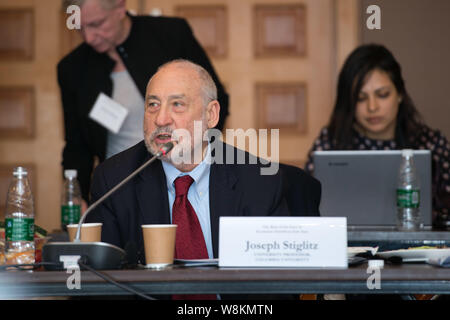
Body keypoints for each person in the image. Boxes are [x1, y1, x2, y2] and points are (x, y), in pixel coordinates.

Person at [86, 59, 321, 267]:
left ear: (211, 115)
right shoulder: (115, 181)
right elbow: (102, 283)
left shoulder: (259, 182)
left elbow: (277, 285)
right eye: (153, 105)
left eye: (177, 104)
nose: (160, 119)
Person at [58, 0, 229, 208]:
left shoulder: (170, 36)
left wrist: (194, 160)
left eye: (96, 24)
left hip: (183, 175)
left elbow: (214, 100)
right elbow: (77, 145)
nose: (89, 37)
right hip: (121, 185)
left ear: (120, 8)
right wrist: (77, 196)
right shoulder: (73, 68)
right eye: (80, 27)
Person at [305, 44, 450, 229]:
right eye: (360, 98)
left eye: (382, 95)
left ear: (400, 94)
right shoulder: (330, 142)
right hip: (348, 251)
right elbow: (307, 207)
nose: (372, 107)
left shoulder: (431, 143)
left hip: (420, 251)